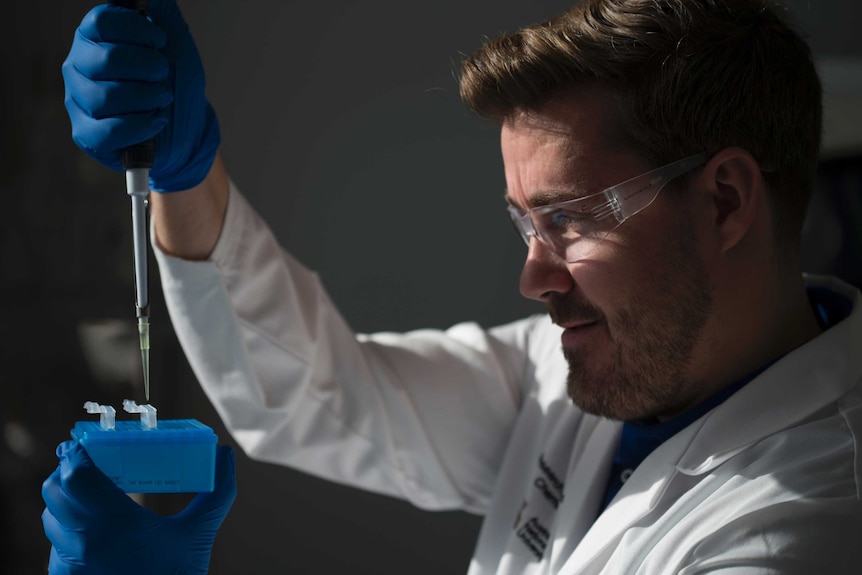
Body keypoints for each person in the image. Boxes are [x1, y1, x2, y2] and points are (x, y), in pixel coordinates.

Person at [45, 0, 862, 573]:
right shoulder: (588, 371)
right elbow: (323, 399)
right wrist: (185, 175)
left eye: (569, 221)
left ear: (724, 200)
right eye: (522, 224)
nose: (532, 275)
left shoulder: (796, 534)